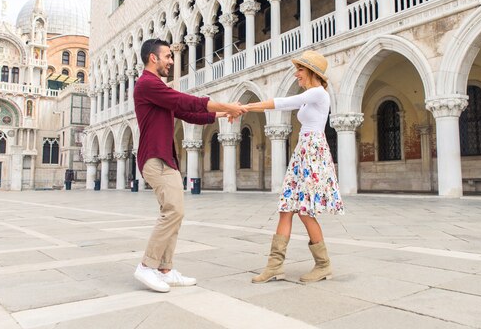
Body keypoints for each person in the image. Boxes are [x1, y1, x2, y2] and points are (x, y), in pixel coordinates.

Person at [133, 38, 246, 293]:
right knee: (173, 211)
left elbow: (187, 114)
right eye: (168, 57)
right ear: (153, 58)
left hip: (164, 158)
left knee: (175, 212)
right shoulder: (147, 84)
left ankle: (164, 269)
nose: (171, 62)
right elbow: (187, 102)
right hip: (155, 158)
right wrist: (227, 105)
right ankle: (146, 265)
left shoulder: (156, 88)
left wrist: (220, 114)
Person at [243, 50, 344, 283]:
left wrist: (248, 107)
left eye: (300, 69)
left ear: (311, 71)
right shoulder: (311, 94)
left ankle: (323, 265)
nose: (297, 74)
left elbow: (285, 103)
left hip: (313, 152)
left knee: (305, 211)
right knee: (286, 207)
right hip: (303, 151)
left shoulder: (318, 93)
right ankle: (274, 266)